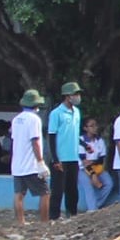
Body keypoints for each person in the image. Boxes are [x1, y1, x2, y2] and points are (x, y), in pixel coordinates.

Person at [10, 90, 51, 225]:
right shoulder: (34, 119)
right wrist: (40, 162)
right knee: (45, 193)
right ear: (36, 105)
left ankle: (20, 223)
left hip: (17, 164)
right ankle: (44, 222)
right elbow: (35, 141)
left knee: (19, 194)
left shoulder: (16, 119)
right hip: (31, 165)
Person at [45, 82, 83, 220]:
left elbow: (74, 133)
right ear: (67, 96)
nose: (78, 97)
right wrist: (55, 159)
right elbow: (52, 136)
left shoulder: (77, 112)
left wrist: (84, 144)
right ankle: (53, 217)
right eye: (76, 94)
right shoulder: (56, 113)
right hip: (61, 157)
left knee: (72, 189)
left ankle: (72, 214)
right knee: (57, 190)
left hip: (73, 156)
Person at [78, 117, 112, 210]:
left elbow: (101, 159)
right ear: (85, 128)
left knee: (109, 183)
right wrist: (93, 175)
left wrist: (93, 163)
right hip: (81, 169)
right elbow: (84, 161)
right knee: (88, 184)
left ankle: (96, 204)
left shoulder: (99, 140)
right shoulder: (80, 141)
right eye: (91, 126)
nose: (95, 128)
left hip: (97, 167)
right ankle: (92, 209)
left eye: (95, 125)